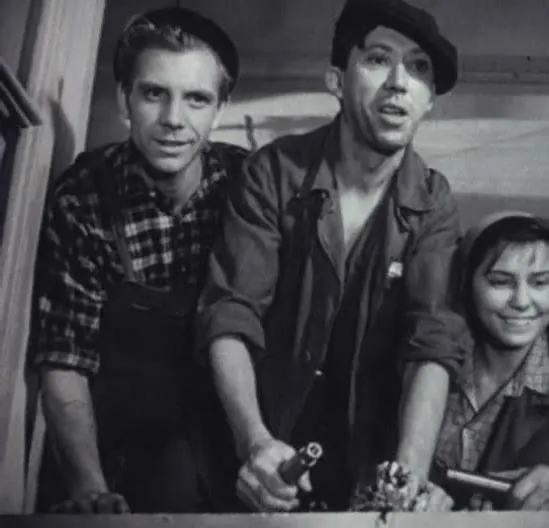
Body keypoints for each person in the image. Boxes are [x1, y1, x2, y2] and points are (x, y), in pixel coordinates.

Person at [196, 0, 466, 512]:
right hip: (256, 441)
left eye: (418, 68)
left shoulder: (434, 201)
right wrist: (254, 441)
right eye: (378, 59)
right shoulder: (273, 173)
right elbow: (230, 312)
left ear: (429, 99)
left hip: (363, 459)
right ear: (337, 81)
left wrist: (408, 470)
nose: (399, 83)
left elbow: (432, 339)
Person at [30, 6, 247, 514]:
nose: (173, 119)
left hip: (227, 445)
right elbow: (64, 359)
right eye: (154, 93)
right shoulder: (83, 198)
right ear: (123, 98)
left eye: (196, 99)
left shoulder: (247, 186)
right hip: (119, 449)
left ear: (220, 110)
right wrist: (91, 490)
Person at [432, 211, 549, 511]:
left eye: (541, 283)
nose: (521, 301)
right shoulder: (431, 366)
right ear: (465, 285)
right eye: (500, 282)